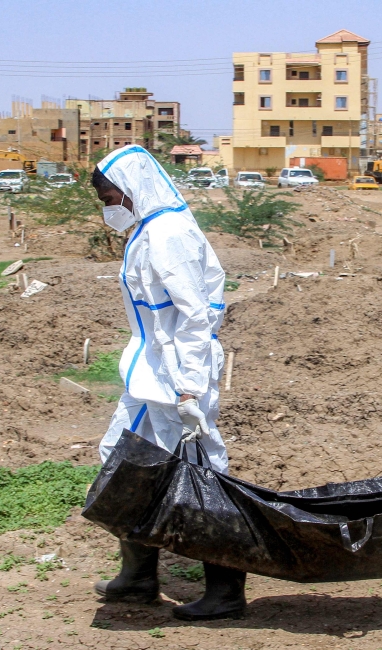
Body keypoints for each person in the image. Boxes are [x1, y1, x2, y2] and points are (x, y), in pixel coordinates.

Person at [89, 145, 245, 620]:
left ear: (133, 189)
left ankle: (226, 589)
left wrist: (191, 388)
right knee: (123, 462)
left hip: (176, 376)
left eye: (112, 195)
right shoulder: (148, 230)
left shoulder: (168, 235)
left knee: (199, 476)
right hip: (150, 374)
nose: (109, 206)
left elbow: (195, 317)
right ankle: (137, 577)